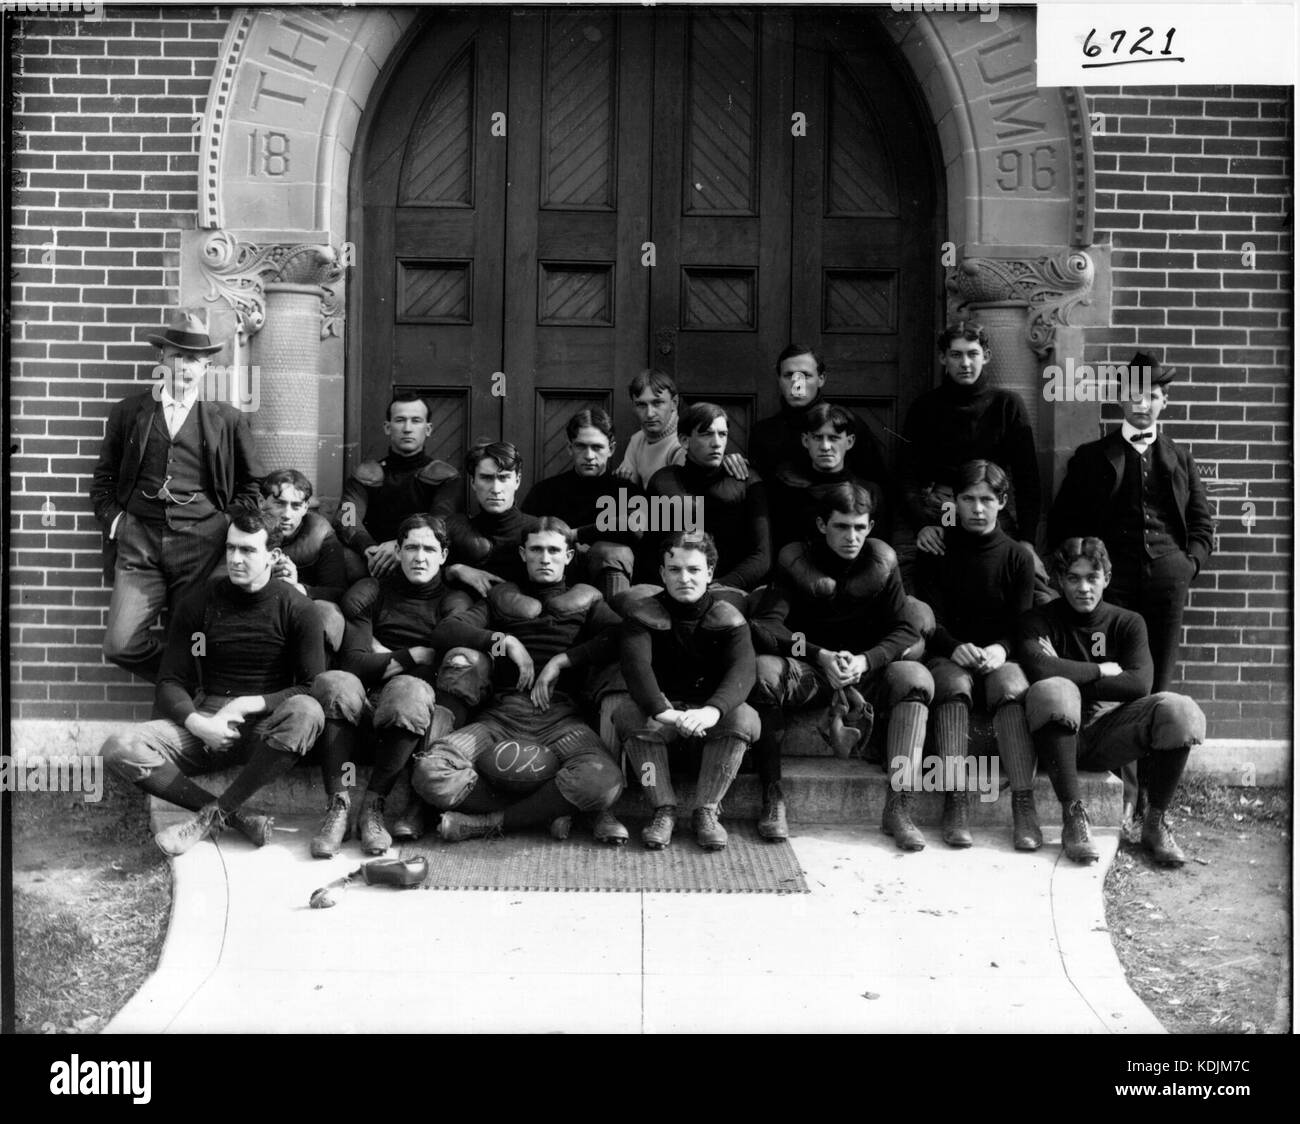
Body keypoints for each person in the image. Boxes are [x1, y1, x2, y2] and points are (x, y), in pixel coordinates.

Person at [1045, 350, 1215, 824]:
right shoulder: (1092, 458)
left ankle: (1151, 805)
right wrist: (1082, 577)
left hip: (1165, 584)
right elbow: (1062, 525)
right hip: (1109, 591)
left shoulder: (1179, 457)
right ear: (1120, 401)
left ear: (1165, 402)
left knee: (1158, 684)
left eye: (1153, 397)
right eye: (1134, 396)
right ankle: (1121, 792)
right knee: (1116, 679)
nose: (1143, 405)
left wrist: (1186, 566)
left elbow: (1202, 524)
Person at [99, 510, 326, 856]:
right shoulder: (200, 602)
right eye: (231, 548)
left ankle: (212, 816)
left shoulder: (297, 608)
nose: (235, 559)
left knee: (307, 712)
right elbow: (171, 680)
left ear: (274, 556)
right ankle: (238, 817)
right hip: (209, 724)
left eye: (248, 551)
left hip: (265, 730)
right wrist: (200, 724)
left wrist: (248, 703)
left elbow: (311, 687)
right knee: (119, 746)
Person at [412, 518, 628, 845]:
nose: (545, 558)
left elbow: (622, 636)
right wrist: (504, 641)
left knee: (605, 780)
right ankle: (548, 811)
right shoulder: (502, 597)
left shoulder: (588, 599)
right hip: (501, 719)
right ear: (523, 553)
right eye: (537, 550)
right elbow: (446, 632)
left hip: (561, 721)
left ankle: (485, 823)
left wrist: (563, 660)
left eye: (554, 551)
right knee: (431, 772)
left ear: (569, 556)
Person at [749, 484, 932, 849]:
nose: (852, 537)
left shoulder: (882, 561)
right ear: (821, 524)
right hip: (812, 668)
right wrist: (819, 654)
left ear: (871, 526)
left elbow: (906, 627)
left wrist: (868, 659)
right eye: (842, 527)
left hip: (865, 669)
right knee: (764, 673)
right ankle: (774, 799)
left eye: (860, 527)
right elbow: (769, 623)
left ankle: (900, 806)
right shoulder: (796, 558)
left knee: (915, 678)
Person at [90, 308, 263, 681]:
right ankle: (181, 681)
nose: (186, 366)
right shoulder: (128, 413)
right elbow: (103, 481)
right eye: (178, 356)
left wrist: (222, 526)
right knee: (120, 643)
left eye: (196, 359)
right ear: (161, 359)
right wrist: (119, 524)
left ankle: (180, 712)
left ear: (206, 367)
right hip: (139, 544)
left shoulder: (228, 419)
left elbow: (253, 488)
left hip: (202, 545)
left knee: (193, 640)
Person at [309, 515, 491, 857]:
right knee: (335, 683)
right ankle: (338, 806)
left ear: (444, 555)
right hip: (365, 703)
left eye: (428, 549)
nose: (419, 557)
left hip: (414, 716)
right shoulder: (373, 591)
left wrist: (388, 657)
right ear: (398, 550)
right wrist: (414, 654)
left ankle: (374, 808)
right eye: (410, 548)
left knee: (408, 691)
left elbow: (441, 658)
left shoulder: (453, 601)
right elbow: (354, 662)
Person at [1018, 537, 1205, 867]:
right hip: (1058, 737)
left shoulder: (1127, 622)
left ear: (1107, 577)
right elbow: (1038, 668)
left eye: (1092, 577)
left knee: (1180, 711)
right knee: (1056, 692)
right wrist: (1099, 671)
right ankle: (1074, 818)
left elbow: (1138, 683)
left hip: (1109, 732)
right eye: (1073, 578)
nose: (1083, 588)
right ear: (1060, 580)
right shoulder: (1040, 620)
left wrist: (1069, 673)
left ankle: (1155, 822)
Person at [915, 461, 1038, 850]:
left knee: (1012, 686)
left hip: (998, 656)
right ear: (955, 501)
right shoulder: (938, 547)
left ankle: (1024, 804)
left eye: (987, 499)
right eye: (967, 499)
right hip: (950, 652)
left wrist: (1001, 649)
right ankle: (956, 799)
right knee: (950, 683)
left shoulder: (1018, 557)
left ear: (1002, 502)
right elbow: (928, 616)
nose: (977, 508)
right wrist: (954, 646)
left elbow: (1022, 624)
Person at [611, 532, 759, 850]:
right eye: (675, 570)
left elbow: (743, 672)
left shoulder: (730, 618)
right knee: (626, 713)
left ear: (709, 573)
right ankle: (662, 808)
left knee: (744, 717)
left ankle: (707, 811)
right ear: (662, 574)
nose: (684, 578)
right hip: (662, 719)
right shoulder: (641, 614)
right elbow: (637, 669)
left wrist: (712, 710)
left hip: (708, 724)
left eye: (694, 569)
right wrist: (666, 712)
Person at [898, 321, 1041, 586]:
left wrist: (1027, 540)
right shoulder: (925, 407)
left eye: (972, 354)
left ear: (985, 356)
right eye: (956, 355)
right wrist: (922, 525)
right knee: (912, 575)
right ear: (943, 358)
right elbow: (906, 476)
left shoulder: (1008, 405)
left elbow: (1027, 480)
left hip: (988, 507)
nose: (965, 363)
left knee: (1032, 581)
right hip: (943, 507)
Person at [743, 344, 891, 508]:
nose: (797, 384)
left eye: (805, 375)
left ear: (821, 379)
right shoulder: (764, 432)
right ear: (779, 379)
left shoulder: (848, 424)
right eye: (788, 375)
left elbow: (876, 486)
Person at [334, 391, 460, 583]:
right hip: (375, 565)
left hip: (424, 568)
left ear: (428, 429)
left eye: (416, 420)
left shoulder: (445, 477)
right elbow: (347, 518)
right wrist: (368, 547)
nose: (407, 428)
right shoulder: (365, 475)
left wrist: (400, 547)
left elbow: (442, 520)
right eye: (400, 420)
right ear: (387, 427)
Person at [646, 403, 771, 591]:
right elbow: (651, 549)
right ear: (684, 440)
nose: (717, 442)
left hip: (730, 588)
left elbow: (762, 556)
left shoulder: (746, 480)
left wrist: (722, 585)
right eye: (706, 434)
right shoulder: (664, 482)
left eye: (722, 434)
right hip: (677, 587)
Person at [521, 407, 644, 599]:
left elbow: (636, 527)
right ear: (570, 447)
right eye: (581, 446)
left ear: (611, 449)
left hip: (611, 586)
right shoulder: (545, 491)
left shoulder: (627, 491)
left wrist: (577, 534)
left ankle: (613, 625)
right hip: (557, 584)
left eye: (597, 447)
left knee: (613, 552)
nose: (589, 455)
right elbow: (525, 538)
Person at [766, 402, 887, 553]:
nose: (825, 446)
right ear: (805, 441)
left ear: (849, 442)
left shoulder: (870, 492)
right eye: (817, 438)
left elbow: (876, 548)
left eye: (834, 438)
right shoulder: (787, 490)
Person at [260, 468, 348, 651]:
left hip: (300, 613)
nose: (287, 514)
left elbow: (337, 591)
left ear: (306, 507)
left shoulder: (321, 534)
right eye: (279, 503)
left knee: (329, 614)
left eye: (296, 506)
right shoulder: (247, 529)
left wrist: (298, 588)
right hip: (257, 606)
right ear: (261, 502)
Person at [443, 440, 541, 595]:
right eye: (486, 478)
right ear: (473, 482)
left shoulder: (537, 531)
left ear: (517, 481)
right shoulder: (456, 529)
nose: (496, 489)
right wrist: (455, 570)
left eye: (503, 478)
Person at [612, 369, 687, 488]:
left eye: (657, 403)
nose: (650, 414)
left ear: (674, 403)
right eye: (641, 405)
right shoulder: (637, 440)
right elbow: (628, 491)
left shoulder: (685, 442)